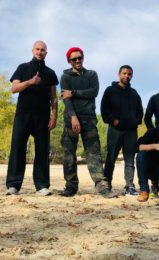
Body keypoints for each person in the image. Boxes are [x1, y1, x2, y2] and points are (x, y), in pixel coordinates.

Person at [6, 40, 58, 196]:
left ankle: (42, 185)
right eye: (38, 49)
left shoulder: (50, 73)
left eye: (43, 50)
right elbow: (14, 88)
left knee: (42, 150)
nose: (40, 52)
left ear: (46, 53)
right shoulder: (23, 68)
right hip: (23, 114)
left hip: (42, 117)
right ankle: (13, 185)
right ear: (32, 50)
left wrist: (54, 115)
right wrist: (30, 82)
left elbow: (54, 98)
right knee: (17, 147)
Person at [60, 47, 112, 197]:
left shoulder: (91, 74)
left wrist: (74, 93)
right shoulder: (65, 77)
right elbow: (66, 99)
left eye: (79, 57)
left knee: (93, 152)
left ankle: (101, 185)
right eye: (74, 59)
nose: (77, 61)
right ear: (69, 61)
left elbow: (94, 92)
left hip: (89, 118)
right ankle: (71, 186)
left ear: (83, 58)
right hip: (72, 118)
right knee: (69, 152)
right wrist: (73, 117)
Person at [101, 65, 143, 195]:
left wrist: (135, 122)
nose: (127, 76)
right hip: (115, 130)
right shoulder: (110, 90)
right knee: (111, 158)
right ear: (119, 74)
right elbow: (104, 109)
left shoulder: (134, 93)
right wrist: (113, 120)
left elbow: (140, 111)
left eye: (129, 74)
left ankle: (129, 186)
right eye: (124, 73)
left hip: (131, 131)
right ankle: (106, 184)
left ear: (132, 76)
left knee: (130, 160)